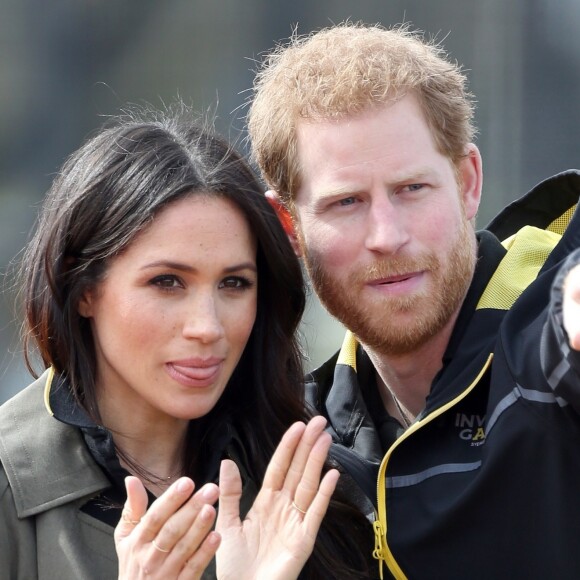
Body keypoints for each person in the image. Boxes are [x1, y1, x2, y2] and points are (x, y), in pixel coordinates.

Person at [247, 21, 580, 579]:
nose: (386, 234)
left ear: (468, 182)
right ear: (289, 226)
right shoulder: (294, 446)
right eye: (346, 202)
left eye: (411, 189)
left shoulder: (549, 330)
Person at [0, 106, 374, 579]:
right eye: (168, 282)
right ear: (85, 288)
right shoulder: (11, 490)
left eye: (234, 284)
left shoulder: (313, 489)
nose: (208, 327)